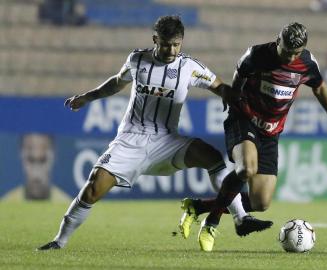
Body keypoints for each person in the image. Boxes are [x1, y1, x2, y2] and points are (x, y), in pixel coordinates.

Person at [37, 15, 271, 251]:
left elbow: (219, 85)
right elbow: (117, 83)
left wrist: (232, 97)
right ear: (155, 39)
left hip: (167, 140)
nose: (172, 50)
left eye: (177, 44)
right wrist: (87, 97)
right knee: (93, 188)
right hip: (130, 139)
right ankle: (59, 241)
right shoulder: (137, 60)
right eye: (166, 44)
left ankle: (241, 218)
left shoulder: (189, 67)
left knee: (212, 158)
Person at [195, 22, 327, 252]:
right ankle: (211, 223)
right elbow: (239, 76)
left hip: (271, 132)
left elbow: (319, 88)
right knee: (246, 169)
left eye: (295, 53)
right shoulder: (257, 55)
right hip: (245, 119)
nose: (290, 57)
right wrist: (232, 98)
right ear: (278, 41)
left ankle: (198, 207)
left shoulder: (307, 63)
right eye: (286, 50)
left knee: (261, 202)